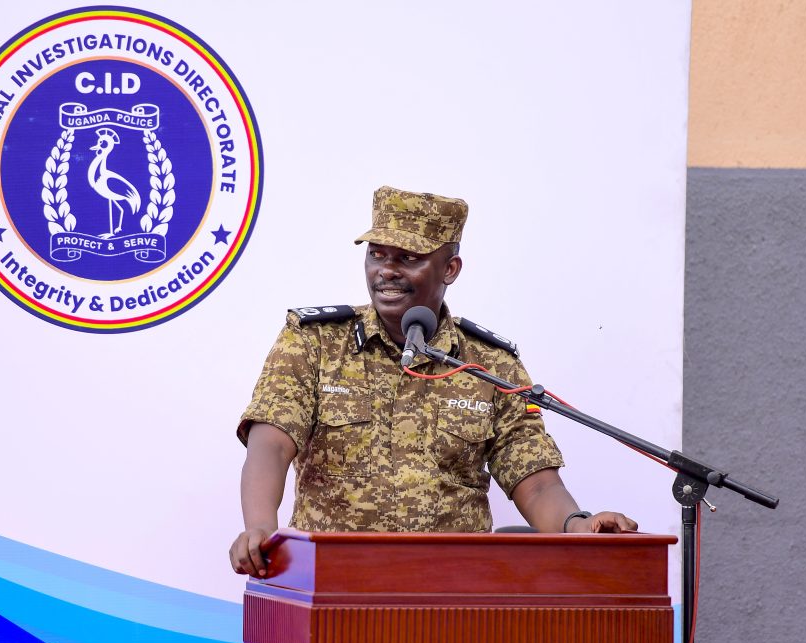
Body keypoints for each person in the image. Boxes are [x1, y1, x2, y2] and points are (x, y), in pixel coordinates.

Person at [229, 186, 637, 577]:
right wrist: (261, 527)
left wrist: (578, 526)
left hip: (454, 588)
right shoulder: (314, 341)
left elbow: (535, 481)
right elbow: (272, 442)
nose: (386, 269)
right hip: (334, 580)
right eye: (377, 255)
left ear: (450, 269)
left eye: (408, 258)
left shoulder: (490, 363)